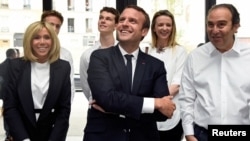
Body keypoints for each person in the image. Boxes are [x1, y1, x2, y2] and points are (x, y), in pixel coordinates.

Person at [83, 5, 176, 141]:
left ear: (144, 31)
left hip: (142, 136)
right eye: (122, 20)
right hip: (104, 136)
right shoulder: (99, 57)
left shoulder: (156, 66)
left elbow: (163, 112)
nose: (124, 24)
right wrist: (154, 103)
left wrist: (114, 109)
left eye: (132, 21)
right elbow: (107, 98)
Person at [179, 3, 250, 141]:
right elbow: (187, 98)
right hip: (202, 135)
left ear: (236, 26)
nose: (214, 30)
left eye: (221, 24)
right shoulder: (195, 57)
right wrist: (189, 134)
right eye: (210, 25)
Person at [3, 21, 71, 141]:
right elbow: (10, 107)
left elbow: (64, 110)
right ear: (29, 41)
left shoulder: (63, 67)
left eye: (47, 37)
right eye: (36, 38)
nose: (42, 42)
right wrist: (24, 139)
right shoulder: (15, 67)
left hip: (51, 134)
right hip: (22, 134)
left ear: (53, 41)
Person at [147, 10, 187, 141]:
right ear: (154, 28)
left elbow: (176, 85)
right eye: (160, 25)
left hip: (172, 113)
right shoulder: (146, 51)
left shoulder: (180, 51)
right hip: (149, 112)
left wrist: (157, 102)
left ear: (173, 27)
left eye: (168, 25)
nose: (164, 28)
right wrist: (155, 103)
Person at [80, 6, 120, 101]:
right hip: (96, 107)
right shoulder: (87, 55)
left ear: (116, 26)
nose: (103, 21)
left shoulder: (123, 52)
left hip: (121, 107)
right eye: (101, 18)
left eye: (108, 19)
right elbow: (86, 86)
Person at [41, 10, 75, 103]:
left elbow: (70, 86)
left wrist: (64, 112)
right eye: (51, 24)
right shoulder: (28, 53)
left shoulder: (65, 54)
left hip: (56, 111)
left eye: (58, 26)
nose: (54, 28)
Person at [0, 48, 18, 141]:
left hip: (5, 95)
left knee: (6, 113)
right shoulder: (16, 65)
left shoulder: (1, 65)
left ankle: (8, 134)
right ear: (14, 55)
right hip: (15, 95)